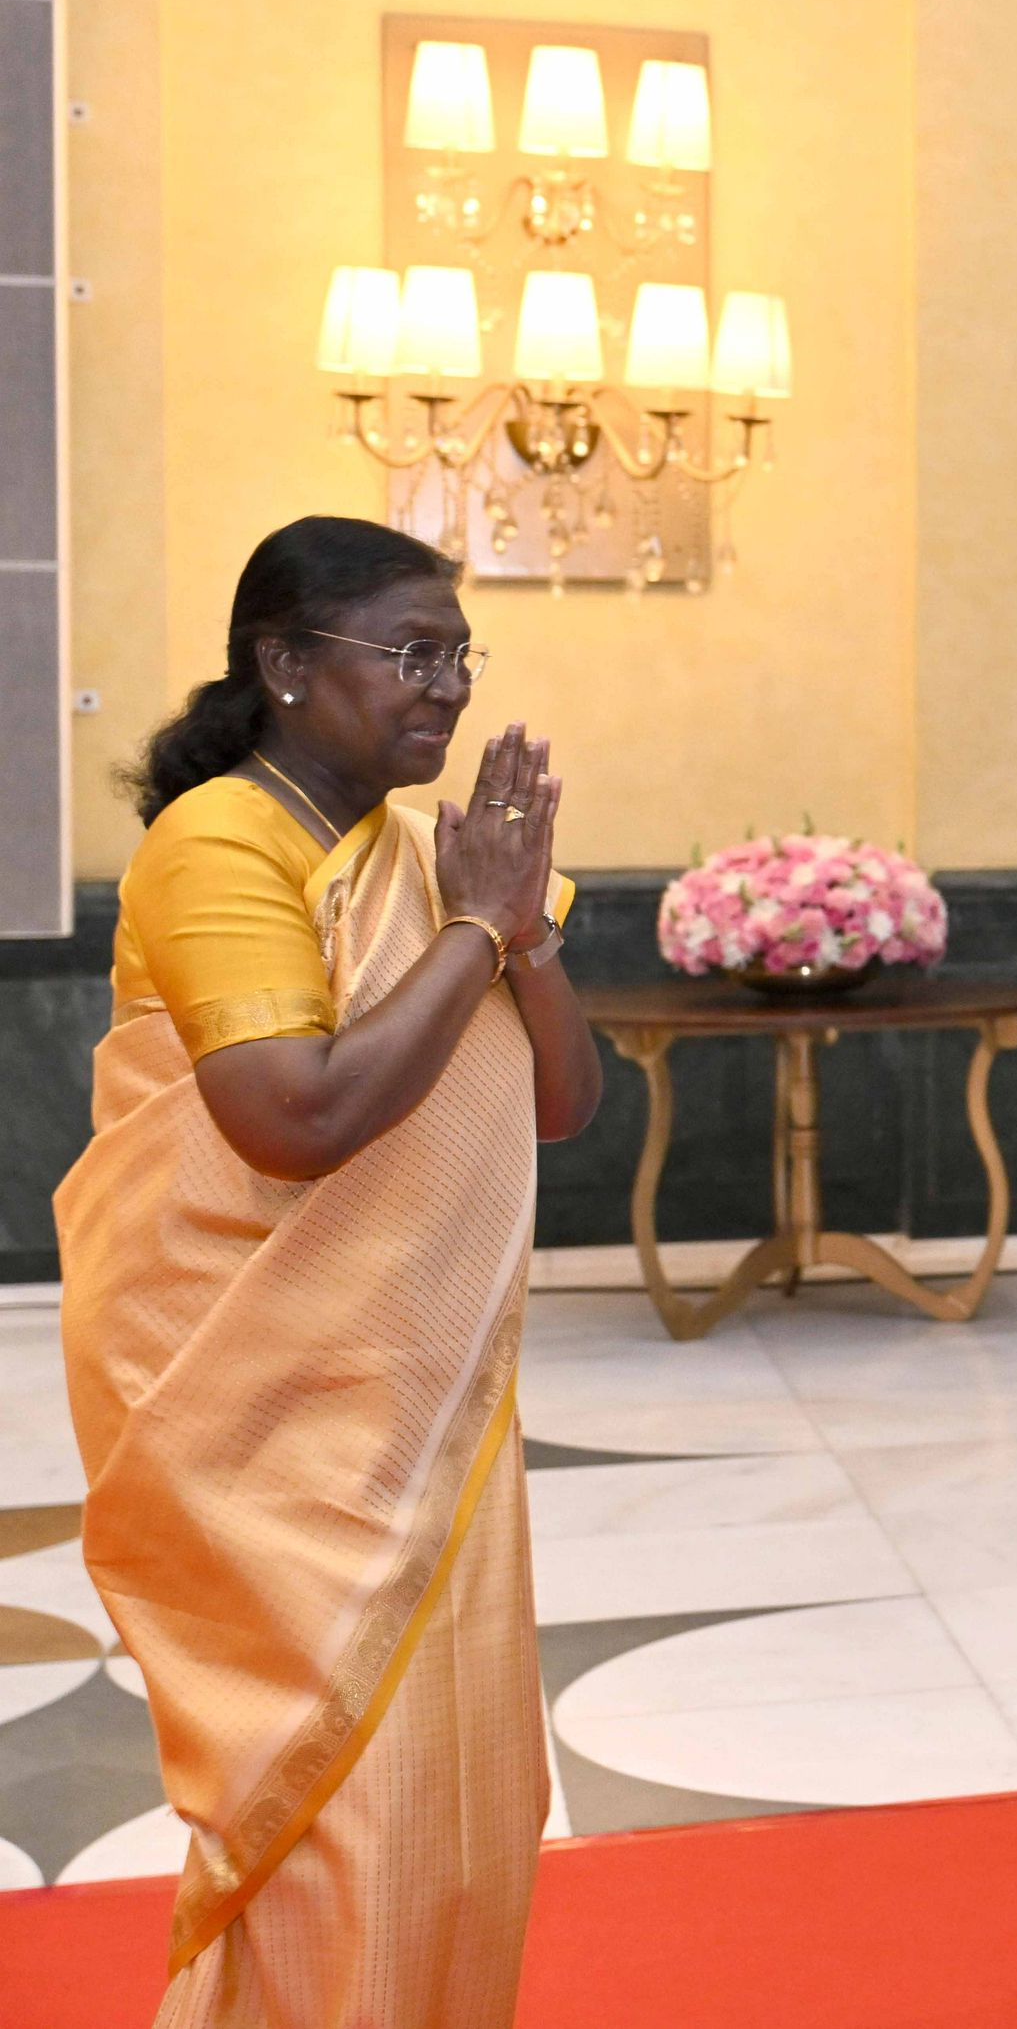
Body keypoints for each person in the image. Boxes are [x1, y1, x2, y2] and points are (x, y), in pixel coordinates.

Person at [54, 515, 599, 2027]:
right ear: (287, 664)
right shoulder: (215, 843)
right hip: (250, 1397)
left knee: (459, 1786)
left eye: (461, 656)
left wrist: (521, 930)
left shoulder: (427, 861)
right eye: (412, 653)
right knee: (334, 1796)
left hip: (411, 1391)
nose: (450, 689)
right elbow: (291, 1120)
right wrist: (476, 926)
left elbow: (563, 1102)